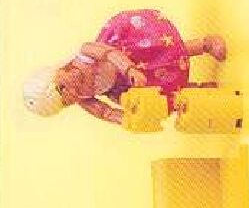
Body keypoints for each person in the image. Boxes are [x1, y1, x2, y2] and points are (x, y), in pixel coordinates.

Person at [23, 10, 225, 124]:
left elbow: (110, 54)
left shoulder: (86, 53)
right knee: (161, 96)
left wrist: (129, 69)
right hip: (124, 87)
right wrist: (128, 119)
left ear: (58, 71)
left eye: (62, 88)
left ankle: (205, 45)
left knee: (166, 52)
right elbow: (104, 112)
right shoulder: (83, 99)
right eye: (66, 102)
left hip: (130, 55)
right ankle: (199, 91)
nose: (71, 93)